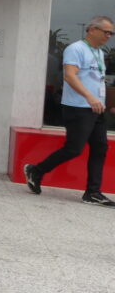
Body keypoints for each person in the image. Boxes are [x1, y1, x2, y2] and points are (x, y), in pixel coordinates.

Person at [24, 16, 115, 207]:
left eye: (111, 33)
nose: (109, 36)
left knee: (100, 148)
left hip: (95, 108)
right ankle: (36, 171)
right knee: (74, 148)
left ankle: (93, 192)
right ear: (91, 29)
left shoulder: (97, 52)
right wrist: (90, 97)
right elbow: (69, 76)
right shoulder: (76, 49)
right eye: (106, 32)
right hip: (78, 107)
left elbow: (97, 80)